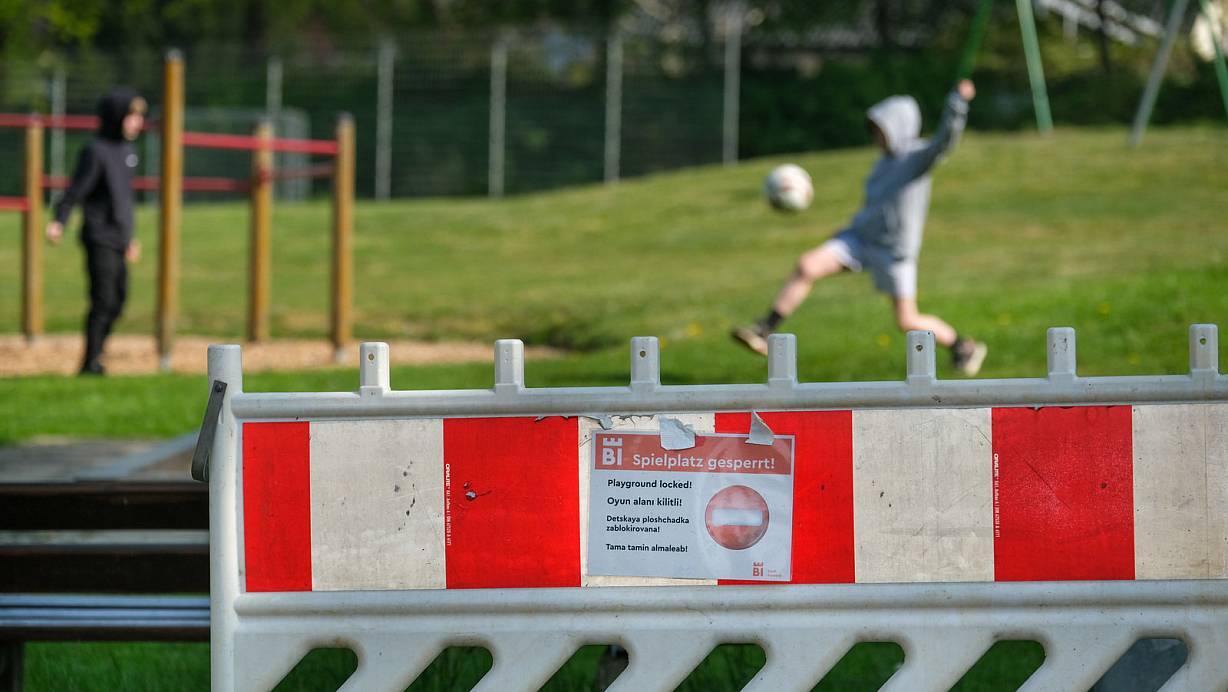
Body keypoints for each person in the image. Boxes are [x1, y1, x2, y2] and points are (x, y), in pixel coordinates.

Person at [732, 79, 988, 376]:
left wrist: (957, 102)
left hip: (894, 253)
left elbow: (945, 140)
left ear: (898, 128)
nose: (876, 135)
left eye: (880, 129)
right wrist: (845, 231)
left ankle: (962, 346)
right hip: (860, 240)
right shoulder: (881, 165)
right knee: (807, 265)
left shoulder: (916, 158)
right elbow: (875, 208)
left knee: (907, 321)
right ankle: (764, 330)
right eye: (875, 129)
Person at [46, 87, 146, 376]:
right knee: (102, 299)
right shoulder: (96, 151)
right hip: (98, 236)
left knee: (118, 300)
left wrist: (130, 238)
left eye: (139, 117)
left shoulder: (129, 152)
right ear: (116, 117)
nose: (137, 122)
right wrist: (59, 220)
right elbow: (77, 189)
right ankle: (90, 362)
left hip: (119, 238)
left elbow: (124, 201)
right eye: (132, 116)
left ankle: (97, 354)